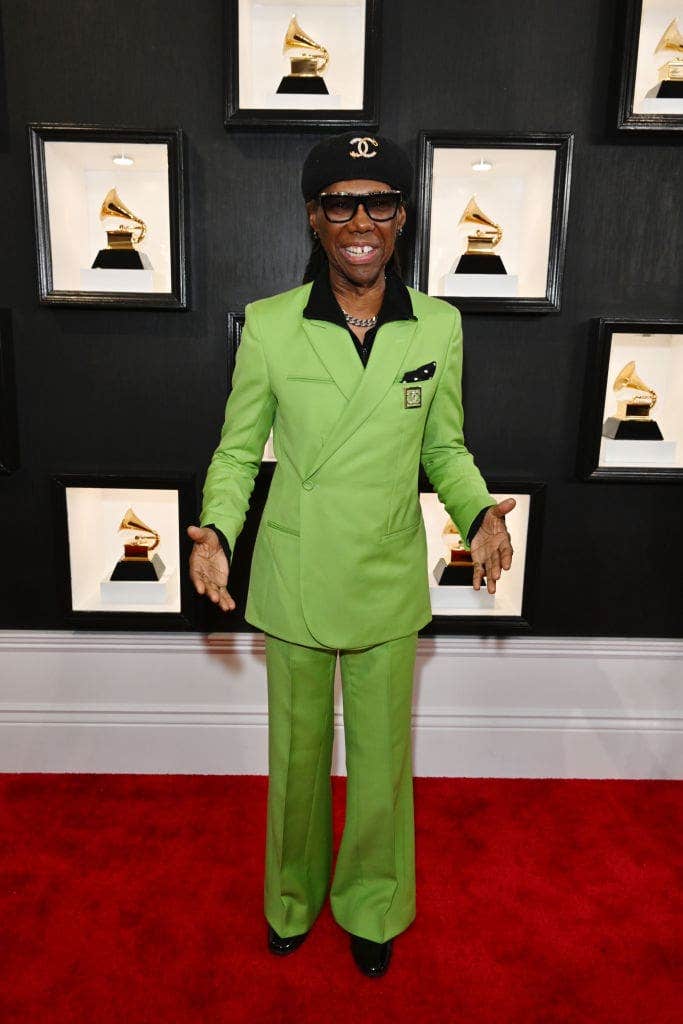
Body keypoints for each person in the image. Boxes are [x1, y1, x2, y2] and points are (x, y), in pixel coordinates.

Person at [188, 133, 514, 978]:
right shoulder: (269, 324)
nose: (360, 221)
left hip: (385, 569)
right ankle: (289, 899)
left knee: (380, 763)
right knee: (296, 760)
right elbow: (236, 453)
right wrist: (217, 531)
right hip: (295, 571)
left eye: (379, 203)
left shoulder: (438, 323)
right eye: (340, 203)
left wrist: (478, 512)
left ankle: (372, 904)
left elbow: (443, 448)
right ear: (313, 217)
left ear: (402, 217)